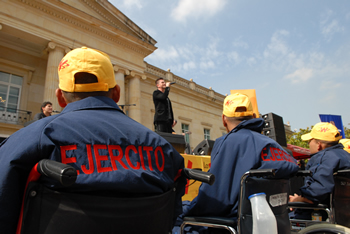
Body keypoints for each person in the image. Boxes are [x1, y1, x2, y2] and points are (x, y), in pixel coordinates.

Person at [0, 47, 186, 233]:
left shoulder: (35, 138)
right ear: (116, 93)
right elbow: (174, 216)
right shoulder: (163, 148)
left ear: (60, 97)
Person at [177, 93, 299, 232]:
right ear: (253, 117)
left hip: (233, 225)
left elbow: (215, 199)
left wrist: (183, 208)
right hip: (272, 225)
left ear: (224, 120)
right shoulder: (274, 146)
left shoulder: (229, 142)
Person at [289, 122, 350, 220]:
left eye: (310, 140)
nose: (308, 143)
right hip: (342, 214)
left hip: (319, 215)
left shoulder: (323, 158)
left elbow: (315, 194)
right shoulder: (346, 156)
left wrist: (296, 199)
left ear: (318, 145)